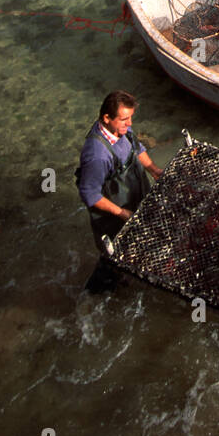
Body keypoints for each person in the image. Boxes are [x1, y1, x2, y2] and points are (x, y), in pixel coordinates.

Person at [76, 90, 162, 288]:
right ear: (106, 118)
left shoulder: (120, 129)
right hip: (113, 218)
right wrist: (122, 213)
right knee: (115, 264)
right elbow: (89, 195)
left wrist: (153, 169)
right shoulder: (97, 154)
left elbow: (136, 148)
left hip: (134, 199)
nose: (129, 124)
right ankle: (103, 291)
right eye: (124, 119)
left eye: (131, 118)